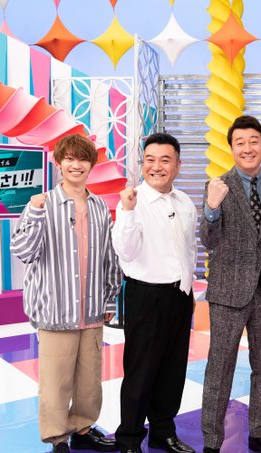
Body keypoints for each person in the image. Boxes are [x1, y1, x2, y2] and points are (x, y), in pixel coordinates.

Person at [10, 134, 122, 453]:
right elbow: (23, 251)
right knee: (55, 382)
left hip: (93, 310)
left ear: (91, 164)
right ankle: (57, 438)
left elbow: (109, 257)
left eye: (82, 159)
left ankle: (83, 429)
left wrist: (110, 298)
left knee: (89, 381)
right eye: (69, 159)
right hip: (55, 309)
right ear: (58, 163)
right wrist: (34, 213)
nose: (76, 165)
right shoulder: (42, 203)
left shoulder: (100, 206)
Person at [200, 115, 261, 453]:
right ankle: (212, 440)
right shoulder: (217, 186)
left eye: (253, 141)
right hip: (227, 293)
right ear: (231, 148)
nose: (247, 148)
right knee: (219, 368)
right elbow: (208, 240)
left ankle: (259, 433)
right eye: (240, 142)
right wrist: (211, 207)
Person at [112, 133, 197, 453]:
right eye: (150, 160)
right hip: (146, 296)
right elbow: (125, 251)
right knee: (141, 371)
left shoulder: (185, 202)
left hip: (180, 296)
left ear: (178, 165)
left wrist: (188, 288)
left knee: (173, 370)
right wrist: (127, 211)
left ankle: (163, 431)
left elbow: (189, 249)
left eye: (164, 160)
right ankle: (129, 439)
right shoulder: (132, 202)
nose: (156, 166)